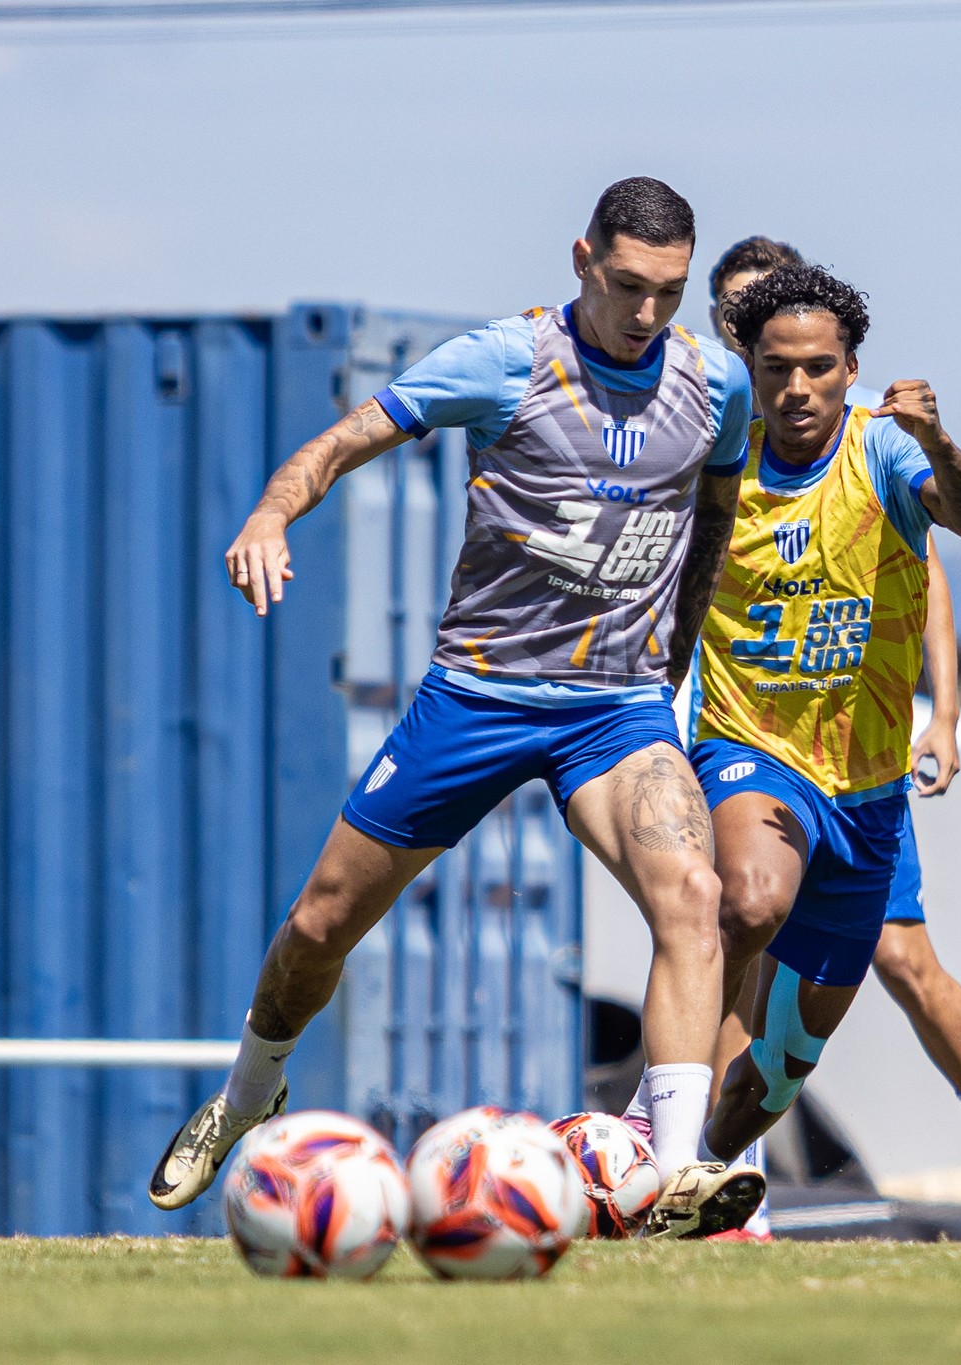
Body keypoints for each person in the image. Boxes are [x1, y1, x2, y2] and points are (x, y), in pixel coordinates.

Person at [147, 177, 765, 1239]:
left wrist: (677, 646)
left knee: (692, 896)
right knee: (318, 923)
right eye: (626, 287)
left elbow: (711, 513)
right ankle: (250, 1092)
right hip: (477, 697)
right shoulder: (504, 361)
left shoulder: (716, 383)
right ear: (581, 261)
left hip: (612, 708)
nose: (647, 315)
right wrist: (267, 513)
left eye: (668, 293)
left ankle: (671, 1179)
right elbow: (338, 444)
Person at [686, 260, 961, 1243]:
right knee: (747, 908)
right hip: (749, 753)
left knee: (867, 991)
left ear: (847, 367)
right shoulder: (710, 458)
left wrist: (942, 712)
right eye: (772, 363)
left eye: (814, 366)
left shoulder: (882, 457)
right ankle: (692, 1174)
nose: (794, 385)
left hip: (865, 783)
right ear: (746, 358)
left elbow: (958, 543)